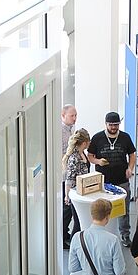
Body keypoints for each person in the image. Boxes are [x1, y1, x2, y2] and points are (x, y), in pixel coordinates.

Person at [87, 112, 136, 248]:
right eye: (111, 125)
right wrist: (98, 161)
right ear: (106, 124)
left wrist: (130, 168)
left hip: (121, 179)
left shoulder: (125, 137)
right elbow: (90, 156)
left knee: (123, 209)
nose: (114, 127)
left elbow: (132, 155)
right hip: (103, 181)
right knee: (102, 209)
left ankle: (125, 235)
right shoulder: (97, 138)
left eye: (116, 125)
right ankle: (103, 234)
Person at [62, 128, 90, 237]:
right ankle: (75, 243)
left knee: (81, 221)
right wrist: (67, 196)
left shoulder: (82, 153)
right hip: (75, 193)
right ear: (84, 143)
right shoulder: (74, 158)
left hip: (83, 191)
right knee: (78, 222)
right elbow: (69, 179)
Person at [61, 105, 78, 248]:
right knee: (66, 208)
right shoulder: (60, 132)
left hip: (69, 175)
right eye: (72, 116)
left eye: (75, 115)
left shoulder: (71, 129)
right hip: (64, 176)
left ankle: (64, 234)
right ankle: (62, 235)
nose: (74, 118)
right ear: (63, 115)